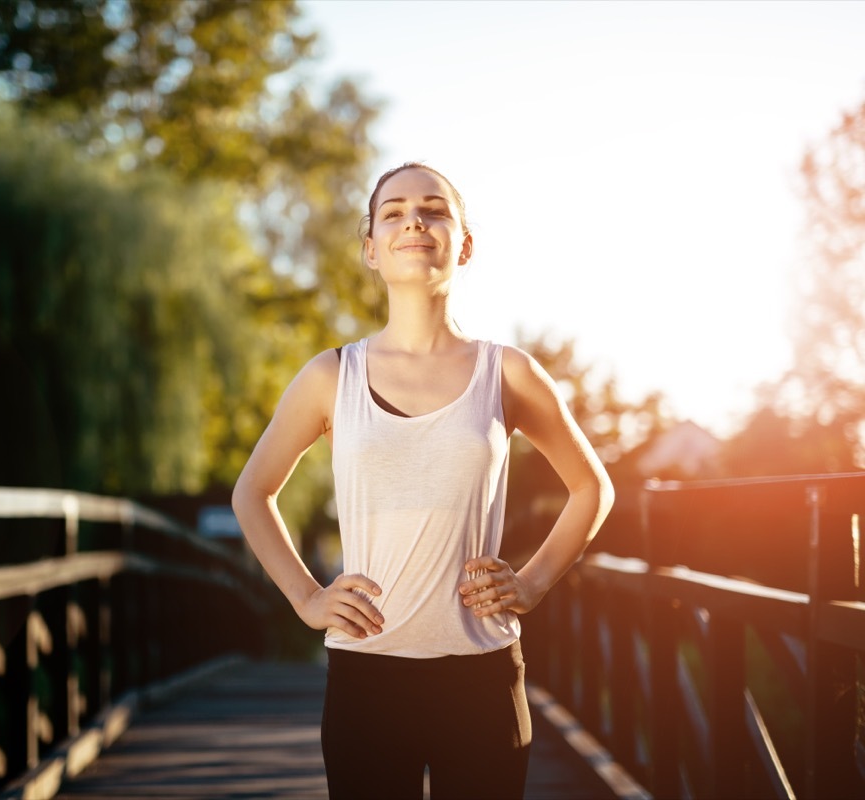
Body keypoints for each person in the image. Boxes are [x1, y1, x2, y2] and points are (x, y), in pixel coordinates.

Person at [231, 162, 615, 799]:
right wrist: (306, 598)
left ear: (463, 244)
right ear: (371, 250)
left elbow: (592, 487)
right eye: (394, 212)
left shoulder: (508, 372)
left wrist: (533, 582)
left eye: (434, 209)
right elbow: (253, 492)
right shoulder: (332, 376)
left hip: (482, 674)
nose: (415, 219)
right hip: (366, 674)